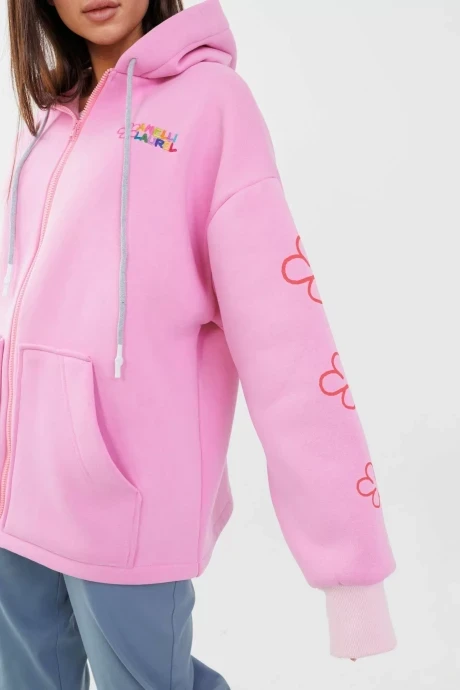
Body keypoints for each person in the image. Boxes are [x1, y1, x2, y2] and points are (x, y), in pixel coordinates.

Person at [0, 0, 397, 687]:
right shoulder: (49, 123)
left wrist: (349, 574)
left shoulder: (212, 106)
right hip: (15, 500)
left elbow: (285, 343)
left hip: (125, 509)